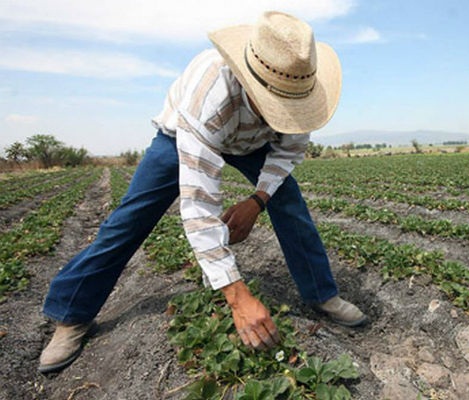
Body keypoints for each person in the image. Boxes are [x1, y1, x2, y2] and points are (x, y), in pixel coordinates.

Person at [38, 10, 367, 374]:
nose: (286, 113)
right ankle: (72, 314)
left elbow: (288, 150)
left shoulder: (299, 86)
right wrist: (237, 296)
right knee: (130, 219)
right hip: (182, 135)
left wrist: (257, 201)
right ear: (250, 83)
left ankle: (322, 294)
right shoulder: (211, 94)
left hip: (253, 143)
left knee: (289, 204)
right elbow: (199, 204)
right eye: (276, 105)